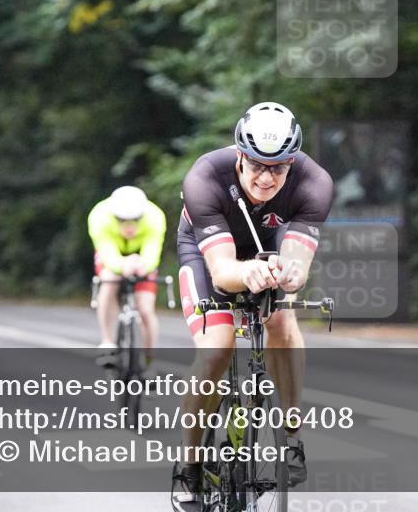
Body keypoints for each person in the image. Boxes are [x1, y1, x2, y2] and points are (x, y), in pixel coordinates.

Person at [171, 102, 333, 509]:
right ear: (239, 154)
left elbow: (296, 264)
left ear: (292, 162)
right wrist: (246, 274)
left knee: (281, 317)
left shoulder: (314, 184)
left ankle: (292, 436)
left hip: (270, 250)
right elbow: (224, 270)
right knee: (218, 348)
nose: (265, 177)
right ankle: (188, 468)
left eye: (277, 168)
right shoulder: (206, 177)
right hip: (210, 252)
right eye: (257, 165)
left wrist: (289, 276)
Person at [86, 185, 167, 368]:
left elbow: (152, 253)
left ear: (143, 214)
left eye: (135, 219)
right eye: (121, 220)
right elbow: (106, 252)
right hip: (113, 253)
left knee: (145, 309)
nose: (129, 225)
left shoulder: (155, 217)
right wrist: (122, 265)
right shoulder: (99, 216)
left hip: (141, 256)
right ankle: (107, 341)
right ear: (114, 215)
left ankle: (148, 361)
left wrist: (143, 267)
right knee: (109, 280)